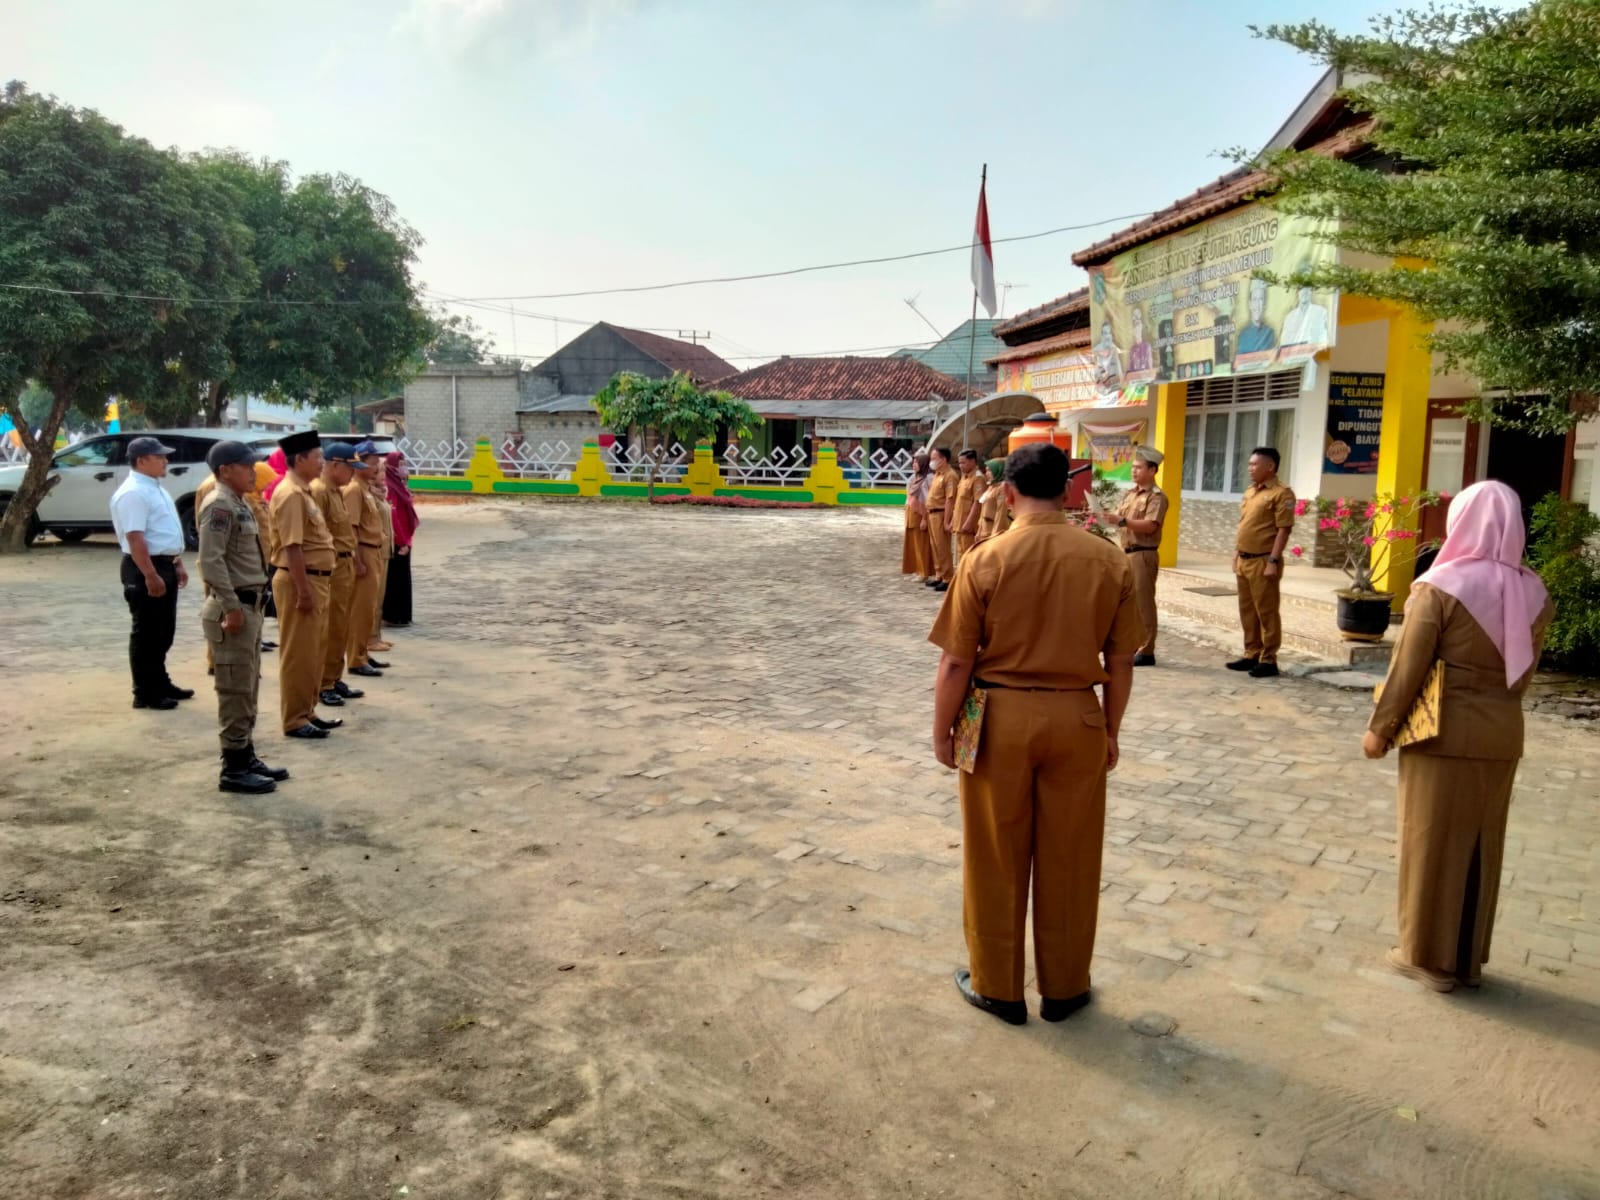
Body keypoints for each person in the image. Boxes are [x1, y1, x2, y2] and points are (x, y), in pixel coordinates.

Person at [929, 442, 1144, 1025]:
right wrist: (1111, 731)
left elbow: (955, 663)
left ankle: (998, 986)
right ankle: (1066, 987)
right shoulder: (1108, 560)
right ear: (1070, 493)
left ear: (1008, 492)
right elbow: (1121, 661)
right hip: (1078, 717)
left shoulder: (985, 558)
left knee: (995, 854)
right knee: (1071, 856)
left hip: (998, 720)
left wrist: (943, 731)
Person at [1364, 481, 1554, 992]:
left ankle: (1427, 959)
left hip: (1440, 734)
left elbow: (1408, 668)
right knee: (1479, 846)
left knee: (1430, 841)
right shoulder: (1534, 591)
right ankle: (1467, 959)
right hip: (1502, 734)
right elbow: (1525, 672)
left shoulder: (1441, 586)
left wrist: (1380, 730)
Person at [195, 441, 288, 794]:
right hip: (232, 609)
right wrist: (232, 606)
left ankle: (245, 754)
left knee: (248, 687)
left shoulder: (239, 503)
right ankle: (233, 769)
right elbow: (211, 561)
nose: (253, 471)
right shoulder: (219, 504)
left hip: (250, 606)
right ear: (225, 470)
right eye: (246, 466)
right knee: (234, 689)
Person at [108, 436, 191, 710]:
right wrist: (150, 574)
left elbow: (162, 532)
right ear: (142, 460)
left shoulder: (155, 487)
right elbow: (135, 538)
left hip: (163, 563)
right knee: (146, 633)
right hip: (145, 565)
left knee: (163, 631)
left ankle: (160, 681)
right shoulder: (133, 491)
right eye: (160, 457)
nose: (166, 460)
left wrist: (176, 561)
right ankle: (144, 692)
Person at [268, 430, 341, 740]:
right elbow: (292, 547)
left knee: (313, 651)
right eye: (317, 458)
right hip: (302, 580)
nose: (322, 463)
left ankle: (307, 710)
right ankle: (295, 719)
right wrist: (303, 590)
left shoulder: (305, 491)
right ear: (300, 460)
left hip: (316, 580)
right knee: (298, 653)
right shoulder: (290, 494)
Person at [1228, 447, 1295, 678]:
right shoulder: (1250, 492)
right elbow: (1244, 524)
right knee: (1247, 610)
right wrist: (1237, 554)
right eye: (1249, 464)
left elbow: (1283, 530)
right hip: (1245, 559)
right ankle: (1251, 653)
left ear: (1270, 466)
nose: (1250, 468)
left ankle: (1269, 659)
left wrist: (1273, 560)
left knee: (1266, 611)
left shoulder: (1281, 493)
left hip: (1263, 560)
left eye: (1255, 464)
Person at [312, 444, 368, 710]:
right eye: (350, 468)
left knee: (341, 625)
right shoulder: (320, 492)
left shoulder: (337, 492)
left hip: (344, 564)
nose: (352, 474)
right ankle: (324, 683)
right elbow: (318, 536)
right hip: (332, 567)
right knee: (330, 627)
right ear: (335, 465)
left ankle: (335, 677)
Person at [1110, 447, 1169, 667]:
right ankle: (1134, 643)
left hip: (1143, 554)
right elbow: (1119, 518)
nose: (1133, 471)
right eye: (1133, 467)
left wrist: (1122, 521)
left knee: (1143, 602)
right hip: (1126, 552)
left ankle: (1147, 649)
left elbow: (1151, 525)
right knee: (1129, 602)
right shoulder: (1130, 494)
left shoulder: (1157, 497)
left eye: (1138, 467)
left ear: (1152, 470)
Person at [343, 444, 387, 679]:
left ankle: (362, 651)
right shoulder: (353, 490)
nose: (375, 468)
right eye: (371, 463)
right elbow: (352, 529)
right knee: (360, 610)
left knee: (369, 608)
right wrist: (357, 561)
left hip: (375, 551)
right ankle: (355, 658)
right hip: (365, 553)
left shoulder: (366, 489)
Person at [360, 442, 394, 657]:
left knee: (378, 598)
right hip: (370, 552)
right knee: (370, 600)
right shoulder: (361, 493)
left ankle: (375, 636)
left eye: (379, 467)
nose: (378, 471)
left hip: (382, 550)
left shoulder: (377, 493)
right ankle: (368, 640)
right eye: (374, 466)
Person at [383, 451, 418, 627]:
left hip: (406, 537)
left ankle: (403, 615)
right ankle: (393, 615)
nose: (404, 467)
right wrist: (402, 540)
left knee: (403, 577)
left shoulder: (400, 485)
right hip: (397, 539)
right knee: (395, 579)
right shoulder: (389, 486)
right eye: (400, 464)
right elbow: (393, 516)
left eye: (404, 463)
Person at [924, 446, 958, 592]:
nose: (931, 462)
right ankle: (939, 574)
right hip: (932, 514)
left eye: (934, 459)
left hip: (941, 514)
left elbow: (950, 500)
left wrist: (947, 521)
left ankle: (948, 578)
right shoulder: (937, 474)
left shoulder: (950, 475)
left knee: (943, 547)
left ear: (943, 459)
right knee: (935, 546)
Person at [902, 451, 933, 582]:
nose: (914, 465)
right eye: (913, 462)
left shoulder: (928, 479)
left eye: (917, 462)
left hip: (920, 516)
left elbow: (927, 500)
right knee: (914, 545)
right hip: (911, 515)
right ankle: (917, 569)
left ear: (924, 464)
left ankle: (924, 572)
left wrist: (925, 518)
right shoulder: (916, 478)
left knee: (922, 546)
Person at [1235, 278, 1278, 355]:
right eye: (1254, 299)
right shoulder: (1243, 335)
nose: (1257, 305)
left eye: (1260, 299)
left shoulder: (1270, 333)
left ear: (1264, 304)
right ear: (1250, 304)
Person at [953, 450, 982, 558]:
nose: (960, 466)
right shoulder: (964, 477)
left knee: (968, 555)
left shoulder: (978, 478)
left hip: (968, 525)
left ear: (972, 461)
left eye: (963, 463)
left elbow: (977, 502)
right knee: (961, 554)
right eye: (959, 463)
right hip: (960, 523)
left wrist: (969, 522)